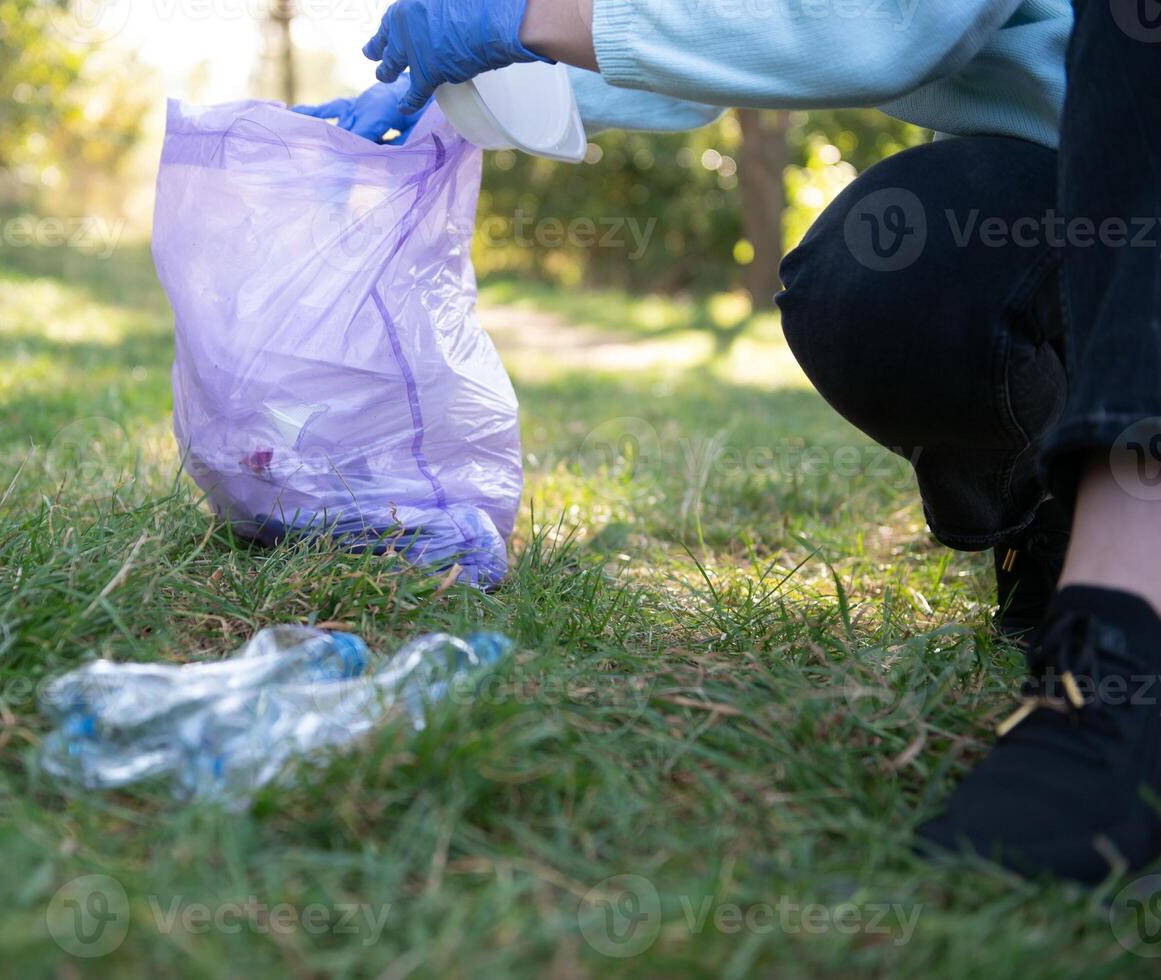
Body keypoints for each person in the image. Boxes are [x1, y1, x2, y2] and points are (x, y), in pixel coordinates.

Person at [297, 0, 1161, 883]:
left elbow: (891, 26)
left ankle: (1125, 641)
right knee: (886, 277)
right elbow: (754, 24)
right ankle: (1057, 524)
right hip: (1067, 190)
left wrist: (529, 18)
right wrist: (457, 98)